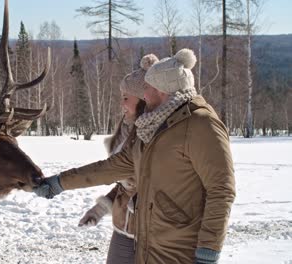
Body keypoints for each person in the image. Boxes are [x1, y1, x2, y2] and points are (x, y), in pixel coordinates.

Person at [34, 49, 235, 264]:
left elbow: (221, 190)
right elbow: (111, 167)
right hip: (148, 245)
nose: (144, 94)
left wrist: (208, 251)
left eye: (147, 88)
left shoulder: (201, 124)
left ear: (162, 90)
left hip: (182, 250)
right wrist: (60, 182)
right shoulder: (153, 126)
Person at [78, 54, 158, 264]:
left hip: (154, 234)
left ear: (143, 99)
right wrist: (100, 209)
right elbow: (126, 185)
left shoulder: (158, 135)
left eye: (125, 97)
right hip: (123, 229)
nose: (121, 103)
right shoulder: (126, 132)